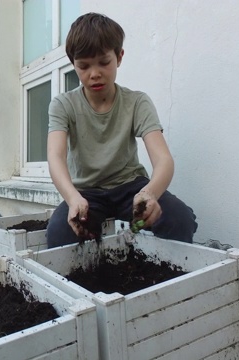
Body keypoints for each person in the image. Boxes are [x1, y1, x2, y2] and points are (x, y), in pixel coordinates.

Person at [46, 12, 197, 248]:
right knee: (59, 233)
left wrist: (150, 193)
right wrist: (72, 197)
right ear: (73, 64)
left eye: (104, 62)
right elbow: (55, 157)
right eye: (84, 66)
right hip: (87, 192)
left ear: (119, 57)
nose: (94, 73)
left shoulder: (137, 102)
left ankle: (135, 240)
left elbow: (163, 159)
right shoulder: (63, 105)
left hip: (131, 187)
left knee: (179, 220)